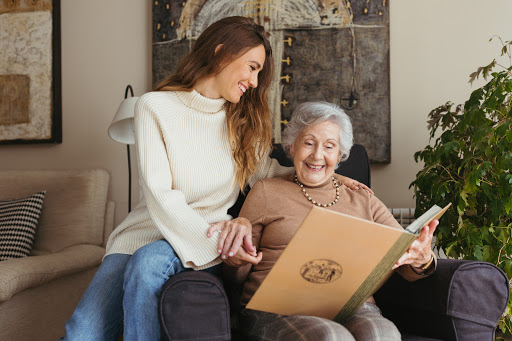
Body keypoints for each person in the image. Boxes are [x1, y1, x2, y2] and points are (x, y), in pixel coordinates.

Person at [61, 17, 368, 341]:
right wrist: (212, 235)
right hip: (149, 234)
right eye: (251, 67)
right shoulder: (153, 107)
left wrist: (328, 176)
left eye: (258, 73)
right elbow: (160, 193)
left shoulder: (241, 121)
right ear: (221, 52)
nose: (253, 80)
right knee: (80, 333)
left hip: (199, 244)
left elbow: (264, 171)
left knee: (149, 263)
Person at [212, 101, 438, 341]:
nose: (317, 155)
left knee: (383, 333)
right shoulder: (266, 191)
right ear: (292, 147)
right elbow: (236, 275)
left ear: (340, 154)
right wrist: (235, 260)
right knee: (330, 336)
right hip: (277, 309)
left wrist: (422, 258)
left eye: (329, 146)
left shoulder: (364, 199)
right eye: (308, 143)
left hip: (351, 306)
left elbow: (405, 261)